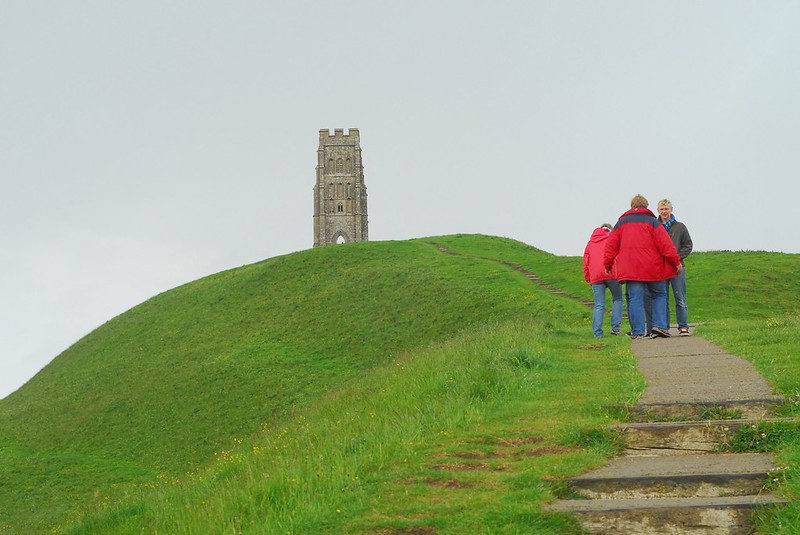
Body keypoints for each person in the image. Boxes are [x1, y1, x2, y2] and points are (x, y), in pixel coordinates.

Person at [603, 194, 682, 339]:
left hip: (631, 269)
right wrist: (676, 262)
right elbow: (666, 245)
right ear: (646, 206)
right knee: (659, 294)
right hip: (653, 267)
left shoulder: (621, 223)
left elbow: (610, 246)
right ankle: (659, 326)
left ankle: (638, 331)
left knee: (635, 298)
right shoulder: (653, 222)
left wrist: (607, 264)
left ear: (632, 206)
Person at [657, 199, 693, 336]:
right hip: (661, 269)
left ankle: (683, 326)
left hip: (677, 268)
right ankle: (663, 327)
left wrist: (676, 258)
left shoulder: (680, 227)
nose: (664, 212)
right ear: (658, 211)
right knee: (662, 298)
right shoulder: (655, 226)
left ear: (671, 209)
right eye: (662, 209)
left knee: (680, 298)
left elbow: (688, 245)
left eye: (666, 209)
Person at [583, 223, 623, 337]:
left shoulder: (590, 243)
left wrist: (589, 279)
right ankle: (615, 328)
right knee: (617, 299)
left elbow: (586, 263)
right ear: (609, 230)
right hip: (611, 273)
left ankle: (597, 333)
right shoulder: (612, 239)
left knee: (599, 304)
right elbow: (619, 257)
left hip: (596, 276)